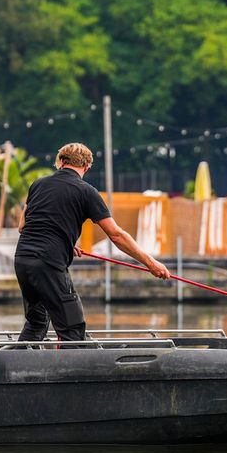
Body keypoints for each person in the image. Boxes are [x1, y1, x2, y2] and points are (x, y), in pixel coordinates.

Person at [15, 142, 170, 343]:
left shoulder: (38, 184)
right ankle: (74, 362)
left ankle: (17, 361)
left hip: (22, 260)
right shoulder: (86, 191)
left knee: (37, 323)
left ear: (60, 162)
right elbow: (116, 235)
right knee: (72, 327)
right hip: (48, 262)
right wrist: (151, 263)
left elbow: (23, 225)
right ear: (87, 166)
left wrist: (64, 241)